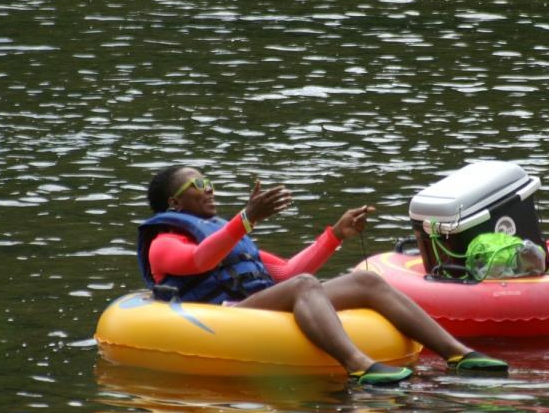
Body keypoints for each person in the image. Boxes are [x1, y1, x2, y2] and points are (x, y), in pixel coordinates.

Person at [138, 165, 509, 385]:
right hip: (222, 315)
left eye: (210, 182)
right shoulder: (164, 242)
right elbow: (202, 261)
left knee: (365, 281)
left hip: (255, 304)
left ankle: (458, 354)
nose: (210, 190)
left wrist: (335, 234)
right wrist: (246, 219)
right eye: (199, 185)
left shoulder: (226, 233)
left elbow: (285, 272)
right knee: (304, 287)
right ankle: (358, 365)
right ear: (174, 203)